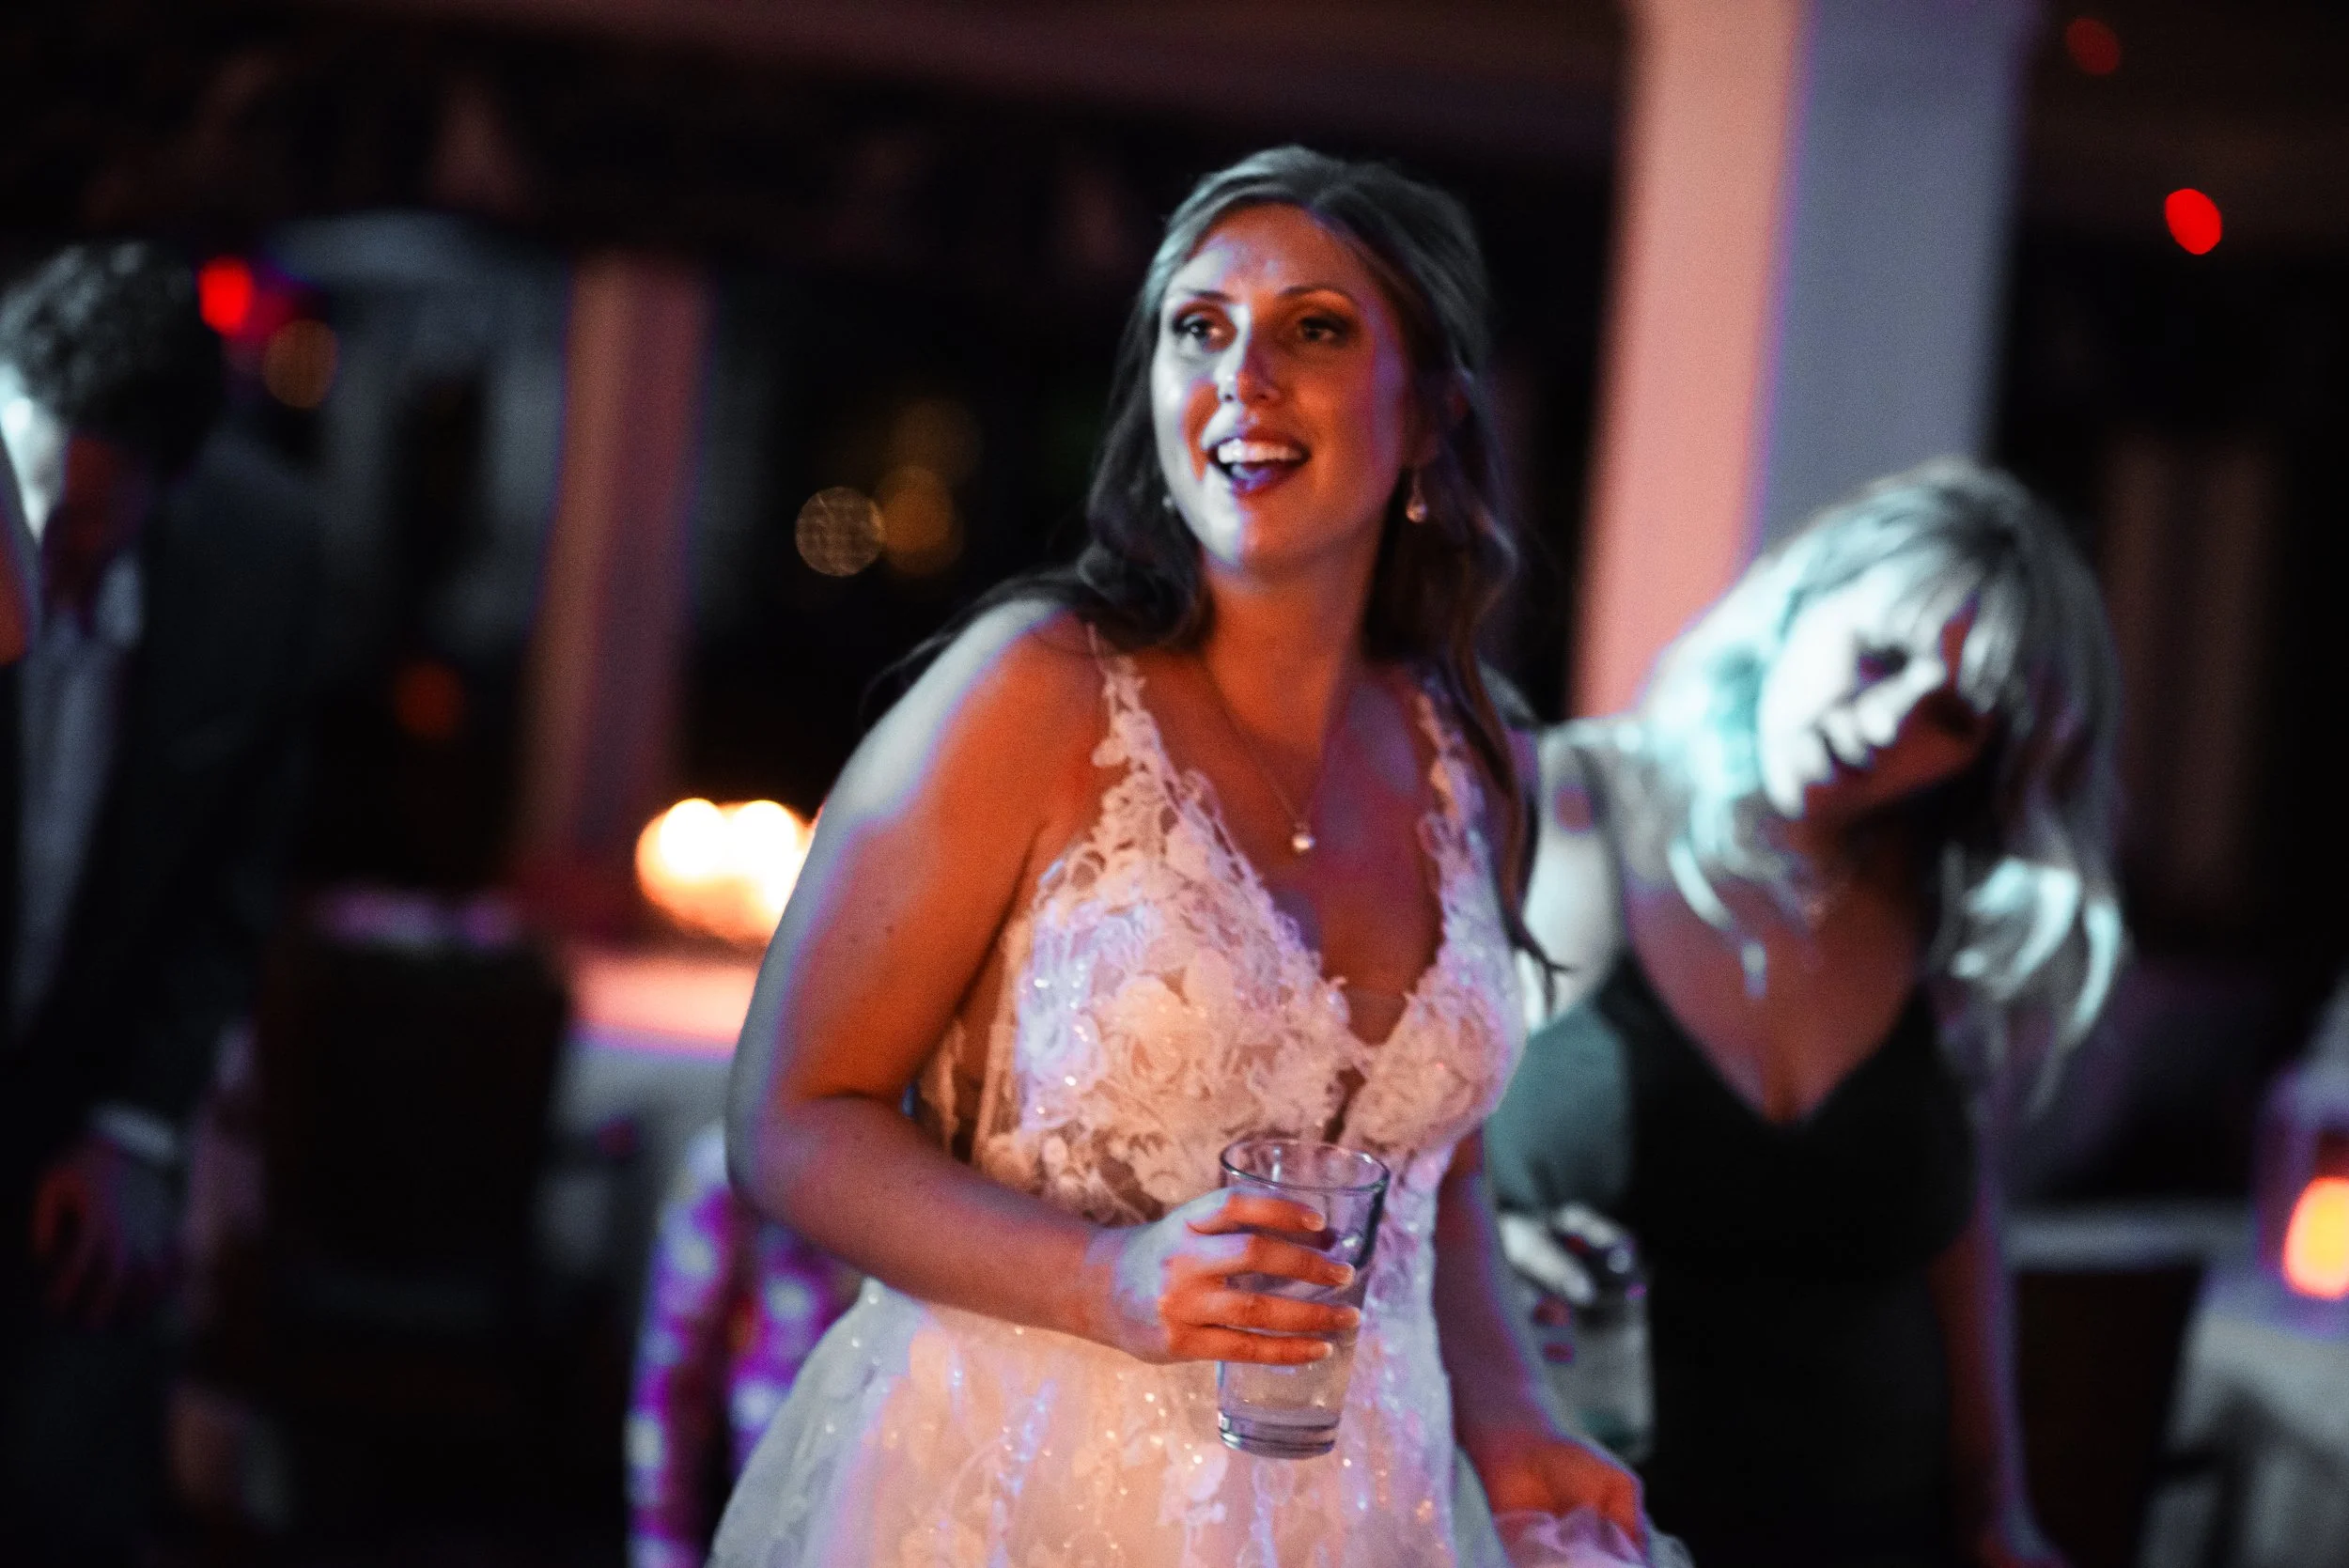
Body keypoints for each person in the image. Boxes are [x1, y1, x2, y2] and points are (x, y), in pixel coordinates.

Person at [713, 147, 1652, 1567]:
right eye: (1198, 329)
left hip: (1364, 1508)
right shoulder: (1034, 694)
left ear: (1429, 419)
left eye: (1315, 331)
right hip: (1024, 1493)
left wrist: (1516, 1421)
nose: (1243, 377)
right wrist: (1111, 1277)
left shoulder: (1481, 764)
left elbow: (1434, 1178)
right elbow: (791, 1120)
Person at [1487, 459, 2123, 1568]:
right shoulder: (1560, 804)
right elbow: (1381, 1123)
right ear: (1801, 595)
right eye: (1877, 657)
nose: (1883, 725)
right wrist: (1479, 1255)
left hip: (1881, 1529)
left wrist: (1997, 1510)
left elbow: (1962, 1238)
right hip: (1583, 1528)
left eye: (1950, 716)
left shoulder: (1937, 906)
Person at [0, 241, 319, 1563]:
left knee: (72, 1498)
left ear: (168, 488)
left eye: (76, 521)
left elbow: (231, 879)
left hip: (82, 1107)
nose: (29, 548)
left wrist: (135, 1125)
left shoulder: (263, 564)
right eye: (15, 489)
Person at [628, 1123, 862, 1568]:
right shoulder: (735, 1165)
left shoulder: (943, 1155)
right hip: (770, 1509)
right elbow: (670, 1384)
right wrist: (664, 1552)